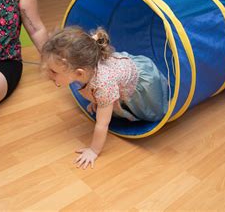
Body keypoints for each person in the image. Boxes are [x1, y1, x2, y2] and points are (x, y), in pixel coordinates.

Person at [41, 27, 169, 169]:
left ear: (79, 73)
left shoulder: (103, 85)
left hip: (143, 83)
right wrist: (95, 100)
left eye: (53, 71)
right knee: (105, 99)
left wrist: (94, 150)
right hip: (117, 73)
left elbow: (102, 124)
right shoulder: (84, 71)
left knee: (149, 110)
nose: (47, 73)